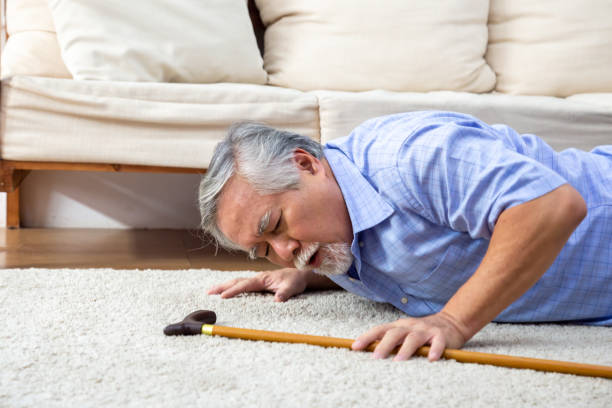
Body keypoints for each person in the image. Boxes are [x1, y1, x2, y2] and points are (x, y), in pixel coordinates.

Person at [198, 111, 612, 362]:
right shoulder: (329, 235)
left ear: (306, 164)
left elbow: (551, 206)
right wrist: (309, 273)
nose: (284, 251)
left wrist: (453, 321)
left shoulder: (409, 157)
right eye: (263, 250)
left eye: (275, 226)